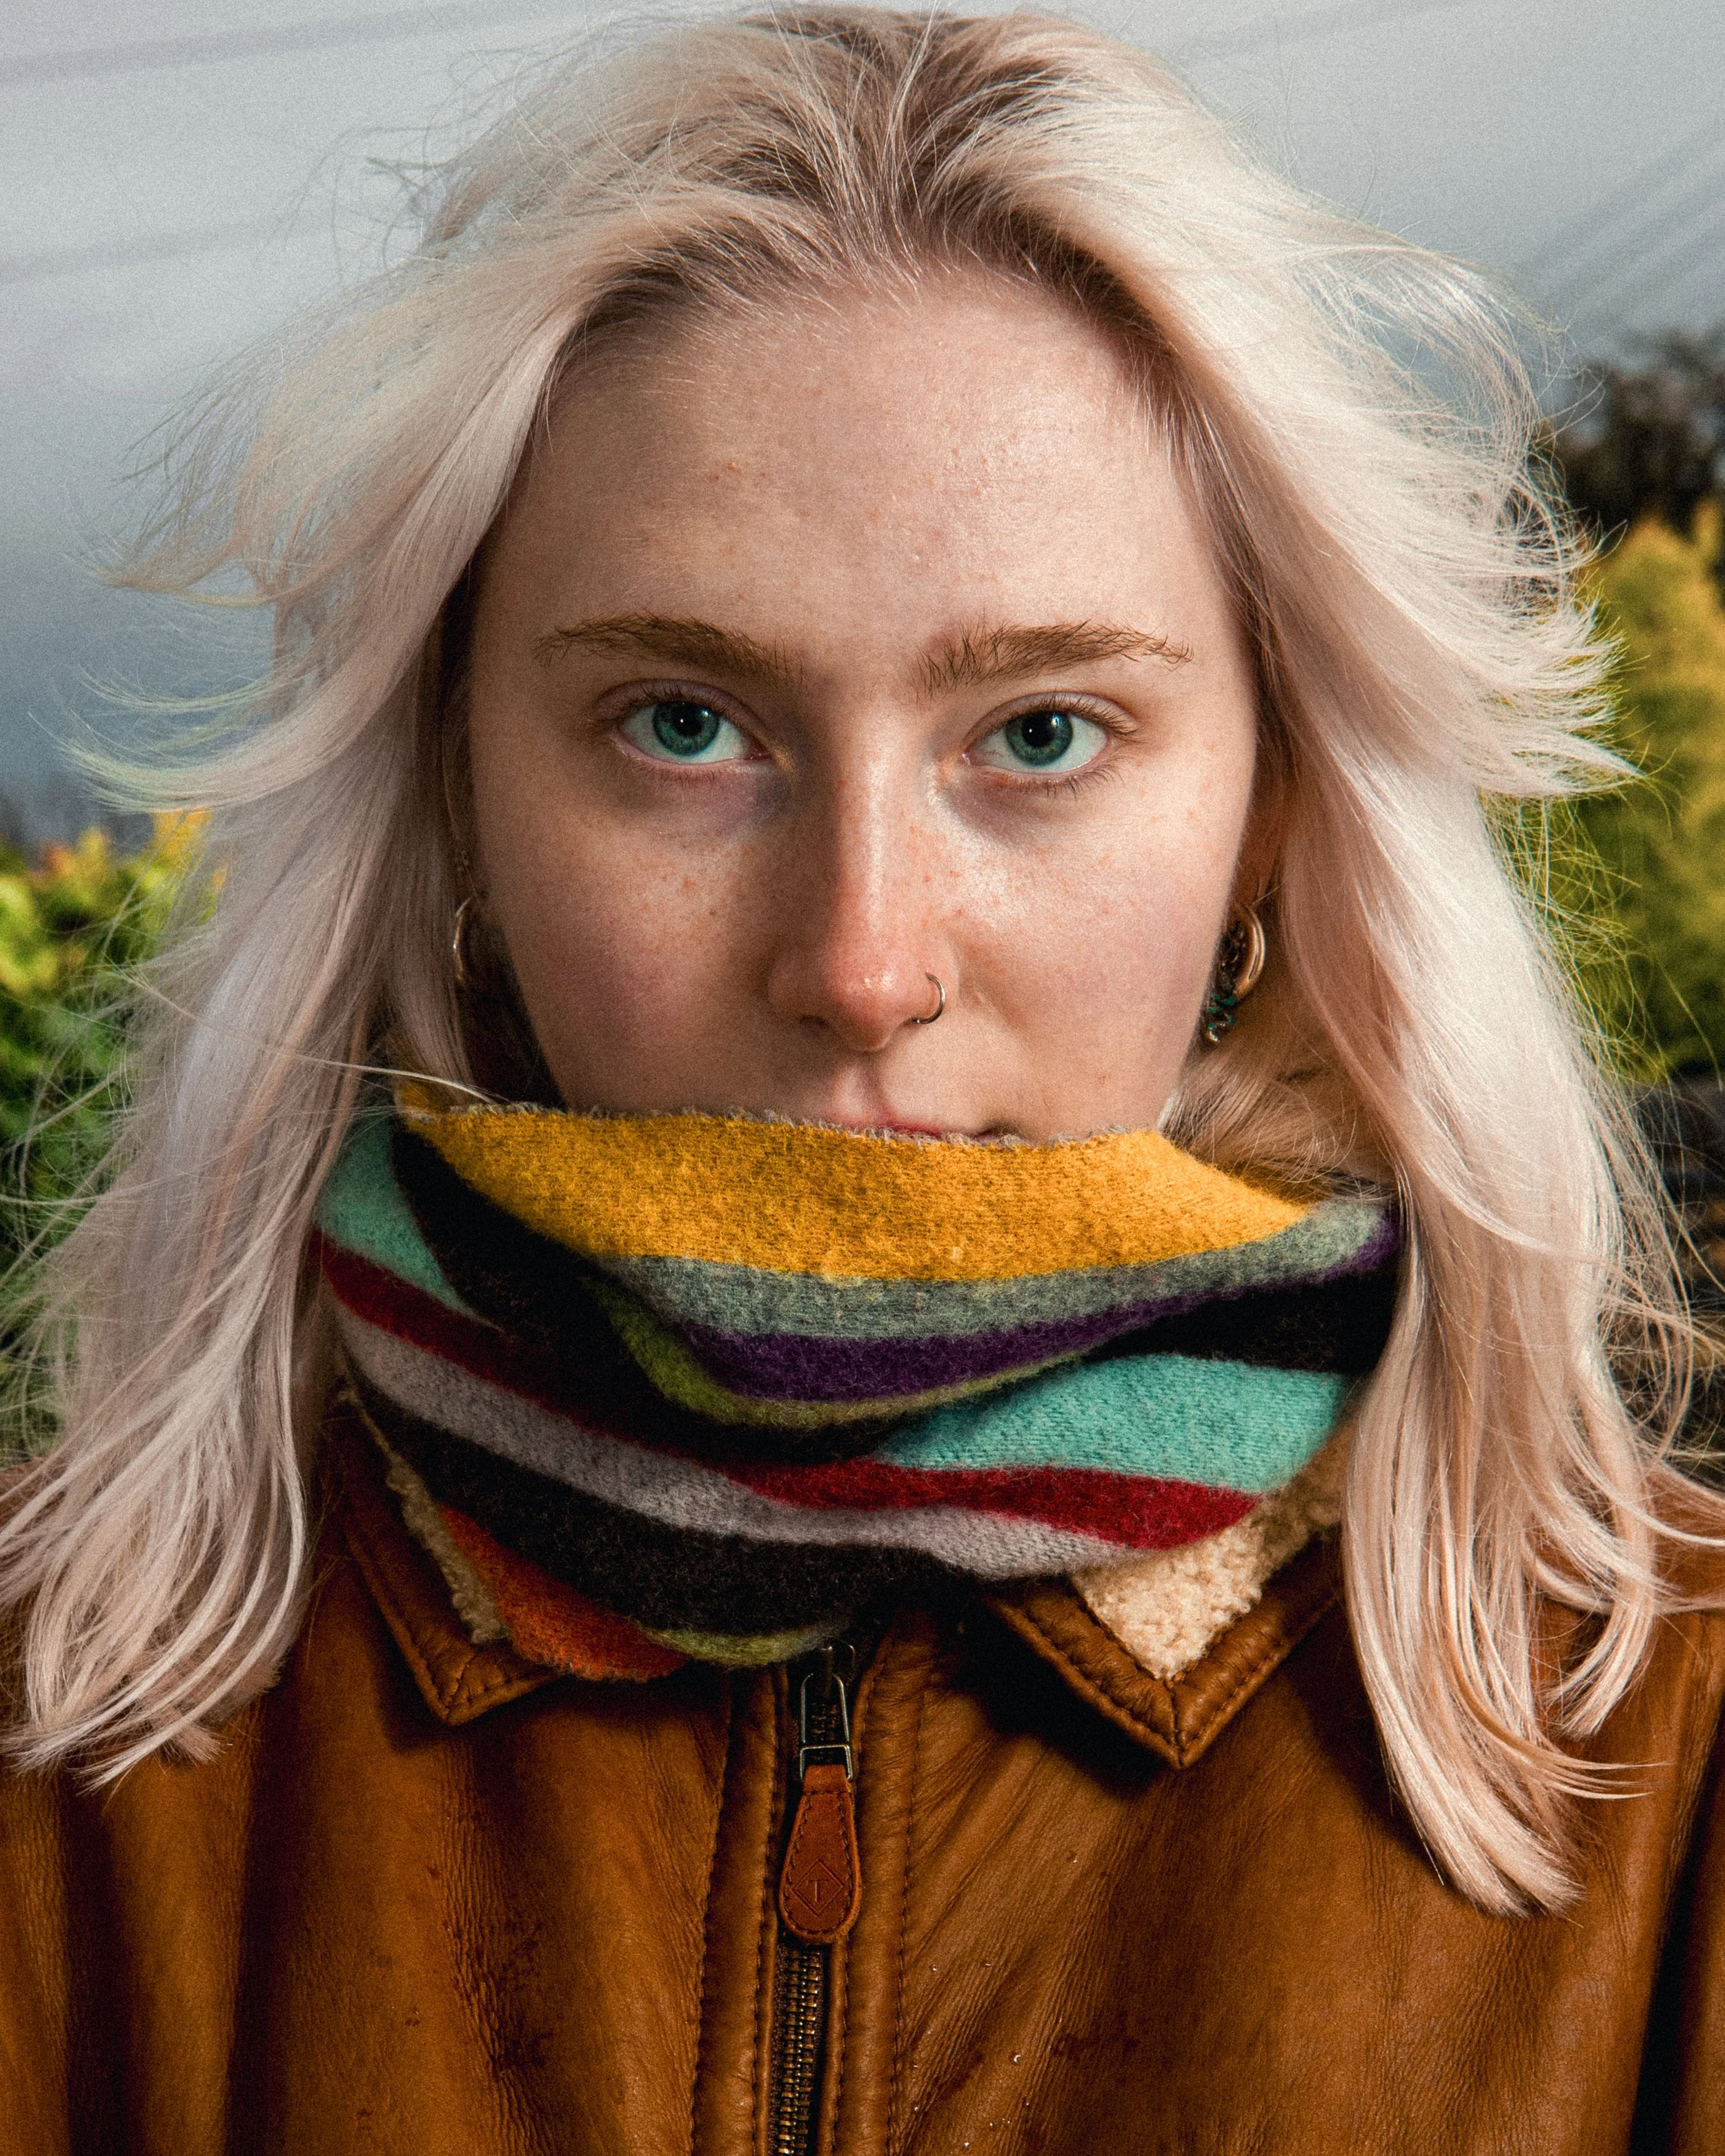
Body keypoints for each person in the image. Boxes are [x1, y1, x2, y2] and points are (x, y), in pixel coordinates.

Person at [2, 8, 1722, 2150]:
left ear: (1271, 821)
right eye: (683, 726)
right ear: (457, 795)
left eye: (1039, 735)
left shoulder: (1672, 1753)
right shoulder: (60, 1749)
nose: (859, 961)